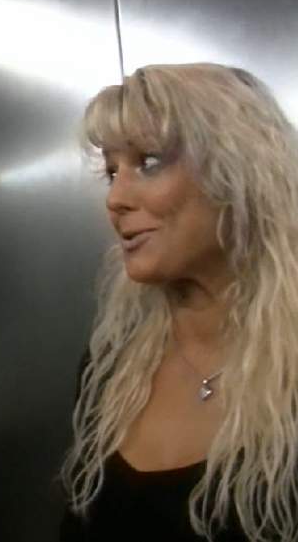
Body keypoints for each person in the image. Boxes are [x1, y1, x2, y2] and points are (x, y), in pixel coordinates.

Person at [60, 63, 298, 541]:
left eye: (148, 162)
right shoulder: (110, 369)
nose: (116, 198)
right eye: (111, 172)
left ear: (239, 172)